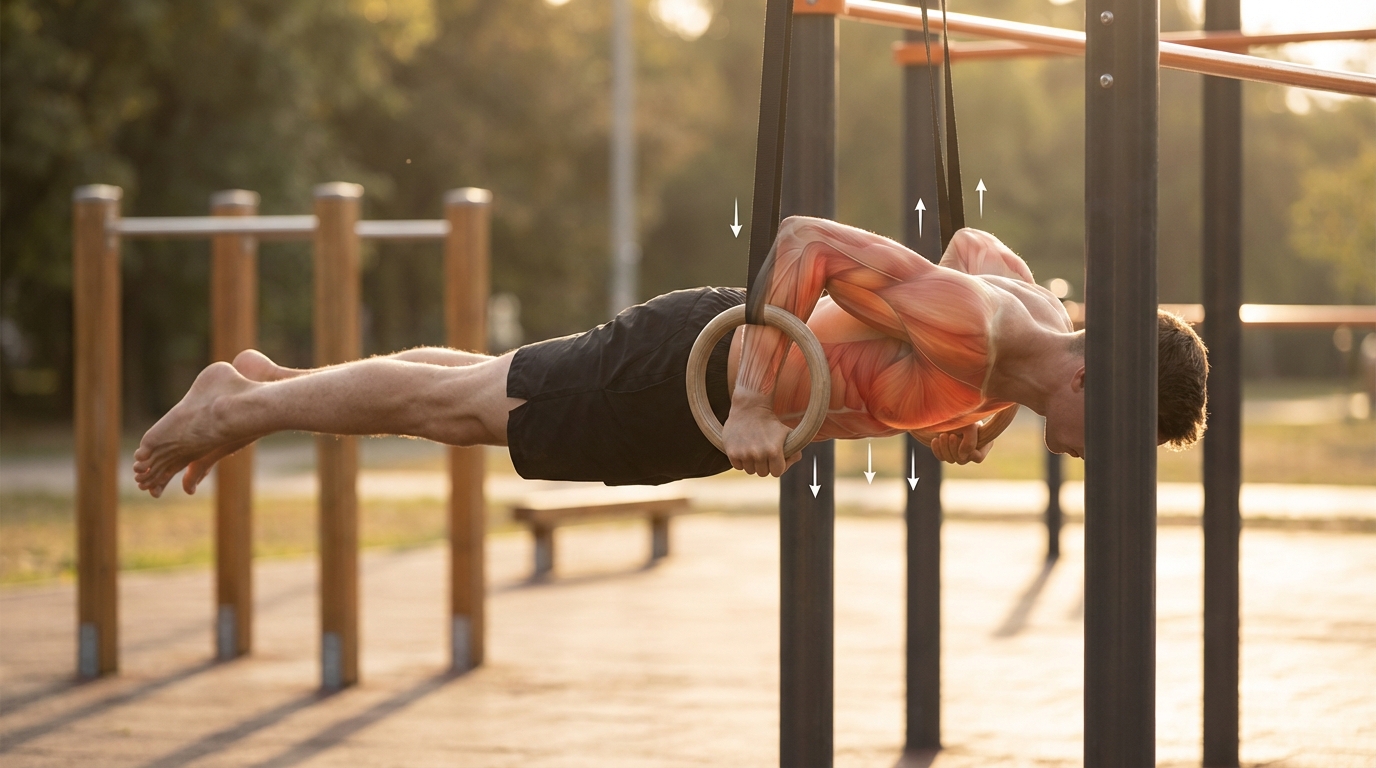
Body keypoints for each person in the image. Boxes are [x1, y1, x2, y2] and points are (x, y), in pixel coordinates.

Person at [132, 217, 1209, 497]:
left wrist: (993, 411)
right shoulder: (981, 328)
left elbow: (976, 246)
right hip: (693, 378)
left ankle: (272, 387)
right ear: (1091, 379)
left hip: (699, 394)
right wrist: (748, 404)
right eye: (1104, 439)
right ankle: (238, 407)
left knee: (468, 389)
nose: (1091, 457)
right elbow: (806, 245)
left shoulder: (1024, 320)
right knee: (459, 408)